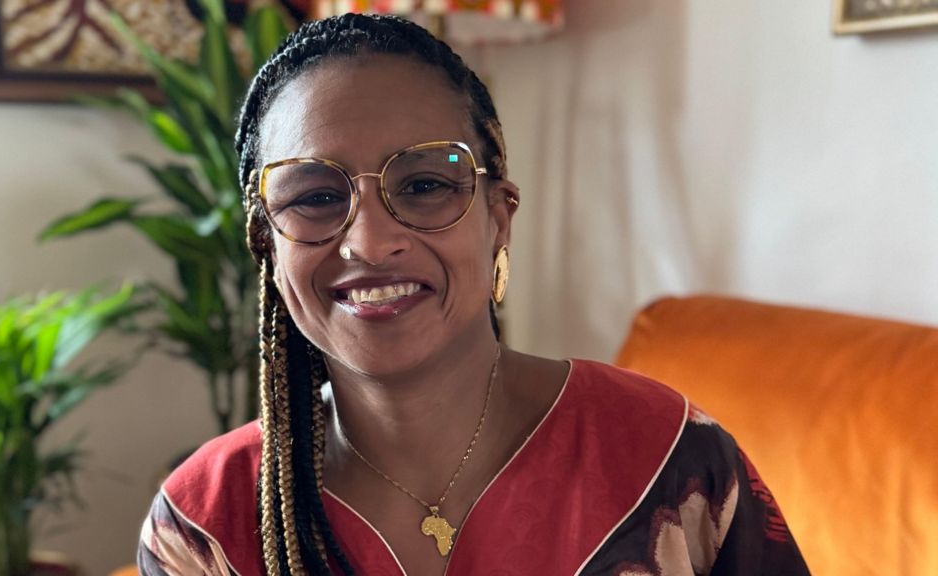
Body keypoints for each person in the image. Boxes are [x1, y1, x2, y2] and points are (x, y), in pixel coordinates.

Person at [137, 13, 810, 576]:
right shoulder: (204, 522)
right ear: (267, 244)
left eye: (425, 184)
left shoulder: (670, 455)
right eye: (315, 197)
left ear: (499, 219)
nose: (370, 243)